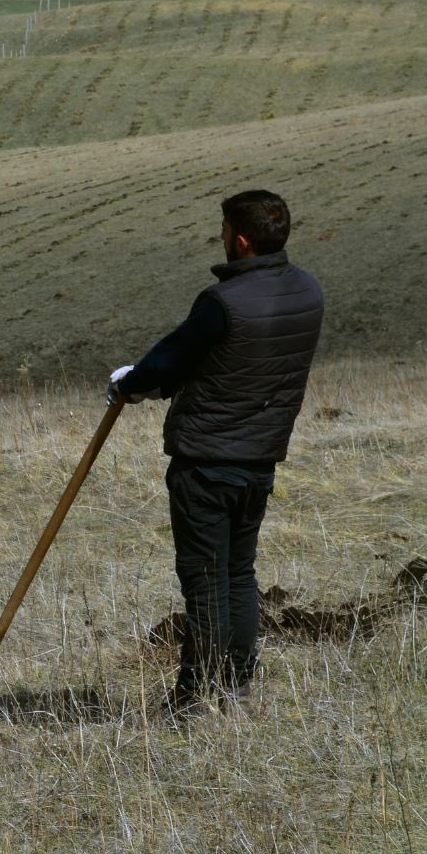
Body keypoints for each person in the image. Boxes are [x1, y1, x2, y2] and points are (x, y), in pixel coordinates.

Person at [107, 190, 323, 716]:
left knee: (205, 581)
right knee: (239, 574)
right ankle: (237, 691)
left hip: (206, 460)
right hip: (260, 458)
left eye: (224, 229)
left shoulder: (223, 302)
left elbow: (169, 360)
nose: (220, 239)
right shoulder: (308, 292)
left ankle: (192, 700)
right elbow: (235, 362)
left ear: (241, 240)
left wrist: (131, 382)